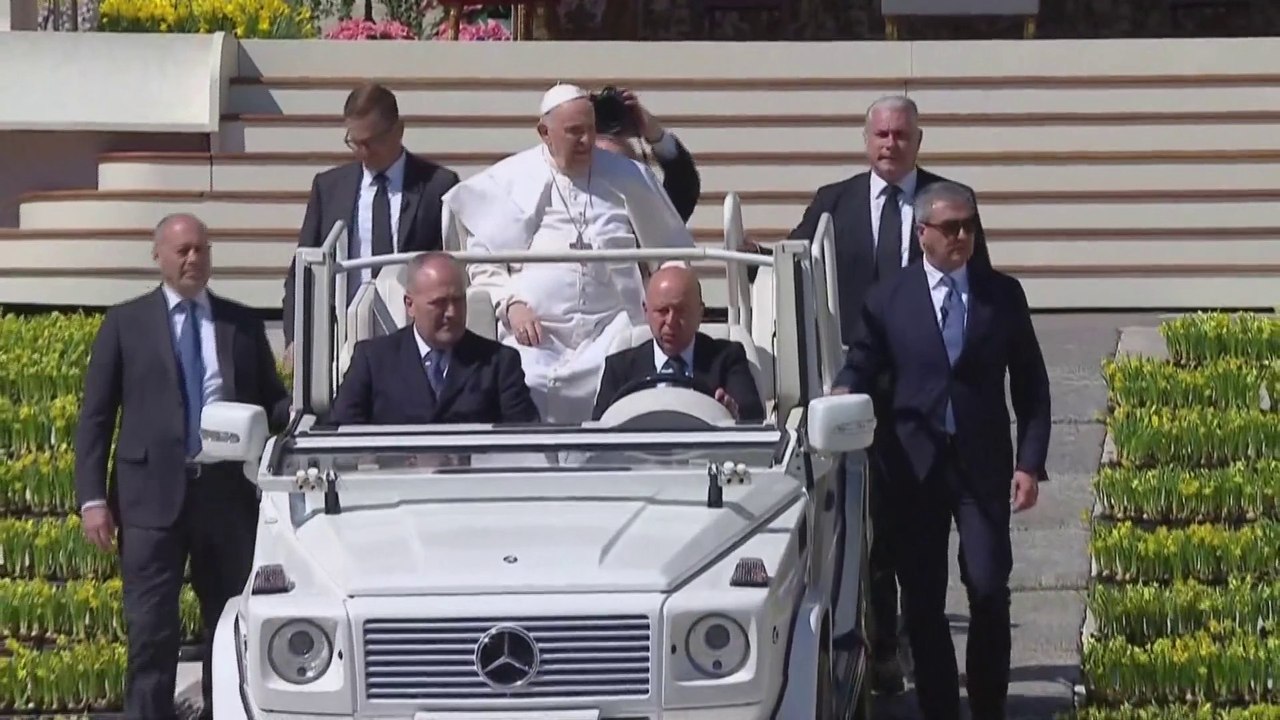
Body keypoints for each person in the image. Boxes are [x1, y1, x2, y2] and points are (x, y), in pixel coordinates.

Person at [790, 95, 995, 691]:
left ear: (918, 139)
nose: (890, 145)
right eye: (880, 134)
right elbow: (796, 260)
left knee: (919, 527)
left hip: (928, 396)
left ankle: (914, 639)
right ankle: (882, 647)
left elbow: (978, 288)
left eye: (901, 135)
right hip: (859, 388)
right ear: (865, 139)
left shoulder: (950, 202)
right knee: (867, 521)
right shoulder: (834, 203)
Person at [832, 181, 1051, 720]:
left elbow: (1031, 383)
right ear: (923, 233)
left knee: (988, 585)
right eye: (950, 227)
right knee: (924, 600)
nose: (961, 236)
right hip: (913, 466)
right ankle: (937, 708)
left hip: (981, 466)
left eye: (969, 226)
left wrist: (1029, 462)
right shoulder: (889, 298)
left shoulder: (1002, 295)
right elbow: (863, 359)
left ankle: (988, 704)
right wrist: (841, 391)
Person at [73, 213, 291, 720]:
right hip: (150, 499)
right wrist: (93, 500)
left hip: (225, 496)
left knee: (231, 622)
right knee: (152, 630)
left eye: (201, 249)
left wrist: (308, 406)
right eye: (183, 250)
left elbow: (273, 402)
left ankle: (229, 711)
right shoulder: (125, 323)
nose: (194, 259)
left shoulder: (240, 323)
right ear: (159, 257)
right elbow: (96, 418)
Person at [442, 82, 696, 424]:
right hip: (535, 333)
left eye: (590, 130)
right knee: (521, 378)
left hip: (612, 327)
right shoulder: (511, 178)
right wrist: (510, 304)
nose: (587, 142)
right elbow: (484, 265)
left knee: (626, 378)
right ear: (544, 132)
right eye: (574, 132)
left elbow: (669, 252)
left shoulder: (629, 176)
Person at [283, 82, 461, 353]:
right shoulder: (330, 188)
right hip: (343, 336)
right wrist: (296, 339)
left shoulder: (438, 185)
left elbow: (452, 265)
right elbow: (304, 269)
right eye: (355, 142)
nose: (363, 152)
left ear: (398, 131)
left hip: (413, 333)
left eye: (371, 142)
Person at [328, 252, 540, 426]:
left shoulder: (498, 363)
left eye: (458, 301)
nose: (451, 312)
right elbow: (340, 433)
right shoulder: (373, 360)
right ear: (410, 305)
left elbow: (525, 440)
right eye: (438, 303)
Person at [592, 265, 764, 421]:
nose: (671, 321)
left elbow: (752, 415)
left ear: (700, 313)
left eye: (681, 311)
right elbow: (598, 434)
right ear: (646, 312)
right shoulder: (619, 368)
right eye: (662, 311)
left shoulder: (726, 358)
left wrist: (733, 412)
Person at [591, 87, 701, 223]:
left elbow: (683, 186)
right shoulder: (567, 208)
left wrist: (656, 135)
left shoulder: (652, 221)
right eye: (605, 168)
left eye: (624, 169)